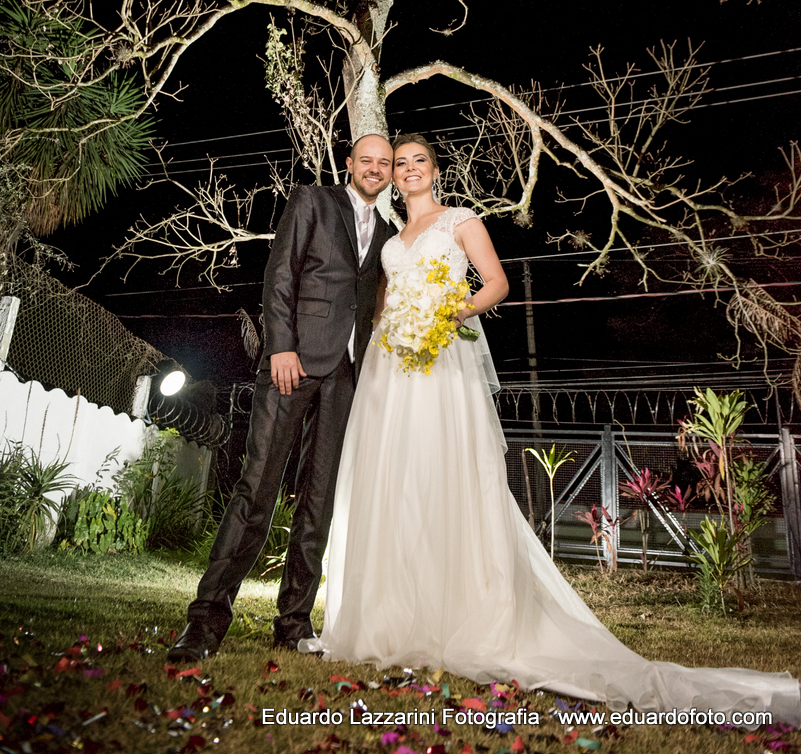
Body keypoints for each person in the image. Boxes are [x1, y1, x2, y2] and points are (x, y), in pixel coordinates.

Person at [320, 134, 801, 727]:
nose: (409, 170)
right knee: (396, 482)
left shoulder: (460, 221)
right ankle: (395, 614)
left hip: (444, 361)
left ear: (435, 171)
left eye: (419, 161)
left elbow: (494, 282)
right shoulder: (393, 242)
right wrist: (384, 337)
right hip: (392, 367)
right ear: (389, 176)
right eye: (400, 164)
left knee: (447, 478)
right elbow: (384, 302)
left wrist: (454, 312)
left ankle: (462, 613)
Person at [168, 134, 395, 662]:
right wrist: (281, 348)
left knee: (319, 506)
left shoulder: (387, 234)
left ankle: (293, 624)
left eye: (384, 163)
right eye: (367, 160)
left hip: (346, 376)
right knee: (256, 490)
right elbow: (279, 277)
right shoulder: (312, 201)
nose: (376, 169)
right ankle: (204, 622)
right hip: (290, 366)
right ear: (350, 164)